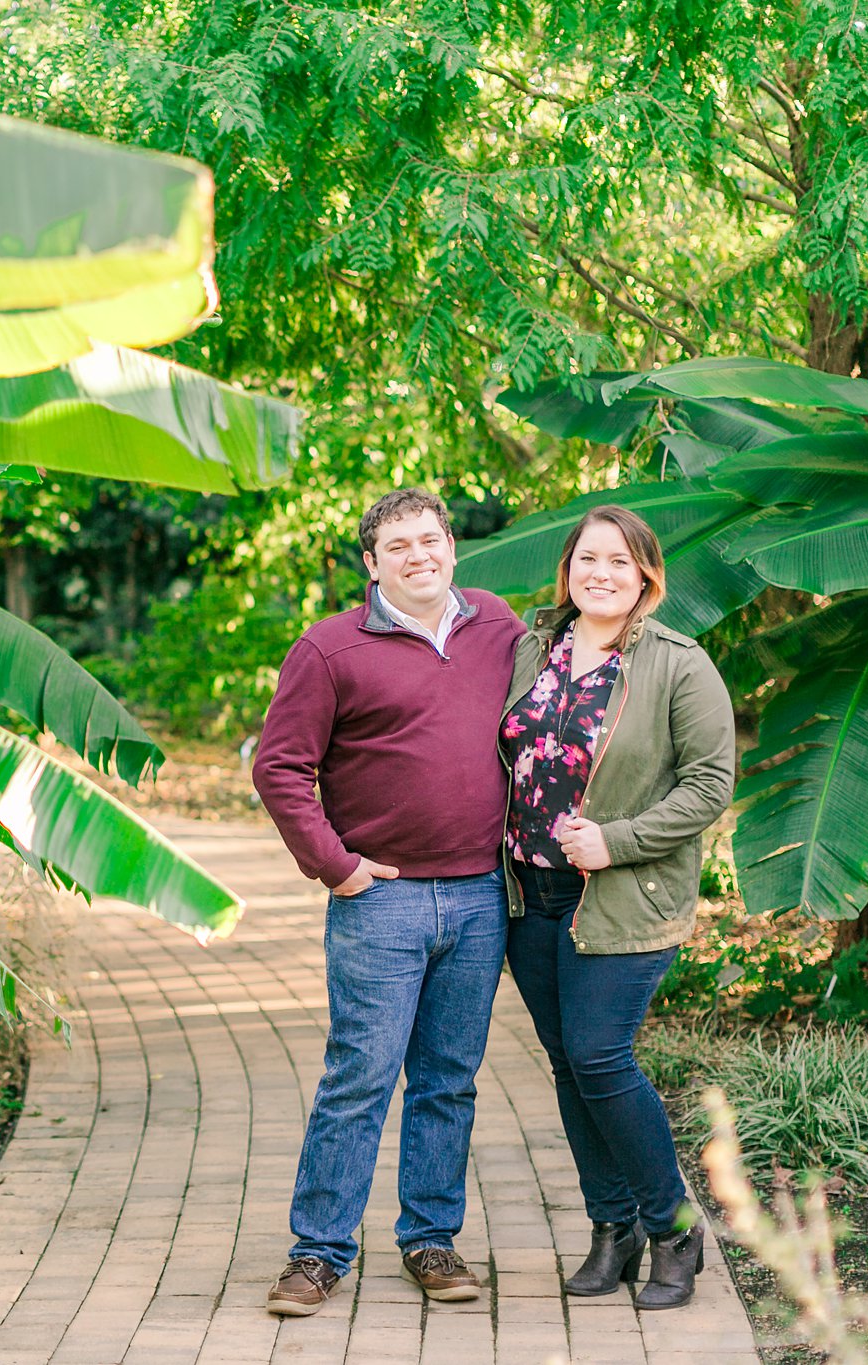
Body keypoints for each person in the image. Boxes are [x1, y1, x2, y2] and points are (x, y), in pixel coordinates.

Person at [252, 487, 523, 1315]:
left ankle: (430, 1239)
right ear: (372, 563)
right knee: (359, 1076)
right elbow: (279, 767)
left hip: (480, 897)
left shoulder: (500, 629)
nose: (417, 555)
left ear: (452, 547)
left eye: (429, 539)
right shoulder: (330, 649)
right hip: (382, 901)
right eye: (397, 545)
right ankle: (318, 1252)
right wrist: (336, 867)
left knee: (448, 1079)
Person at [499, 505, 735, 1311]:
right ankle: (613, 1229)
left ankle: (673, 1229)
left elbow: (709, 782)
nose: (601, 573)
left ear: (646, 577)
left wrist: (619, 839)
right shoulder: (533, 648)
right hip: (531, 893)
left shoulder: (679, 663)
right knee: (568, 1062)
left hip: (624, 892)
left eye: (620, 562)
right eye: (587, 559)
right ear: (567, 570)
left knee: (600, 1056)